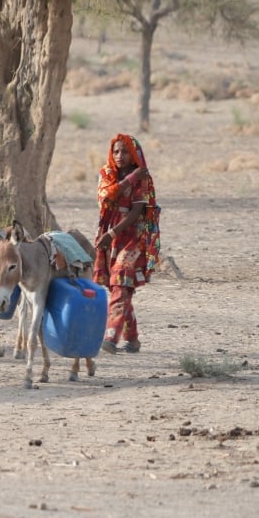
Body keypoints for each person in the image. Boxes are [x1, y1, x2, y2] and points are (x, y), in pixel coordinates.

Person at [94, 133, 161, 354]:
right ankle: (132, 339)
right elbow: (108, 197)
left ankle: (111, 336)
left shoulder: (143, 178)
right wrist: (130, 179)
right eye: (116, 151)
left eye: (125, 151)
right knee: (116, 286)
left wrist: (113, 233)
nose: (120, 156)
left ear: (134, 155)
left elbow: (136, 211)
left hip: (133, 236)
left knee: (121, 281)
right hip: (110, 234)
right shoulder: (107, 173)